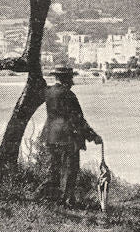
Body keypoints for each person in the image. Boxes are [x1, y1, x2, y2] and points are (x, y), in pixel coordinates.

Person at [37, 65, 102, 207]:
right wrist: (93, 136)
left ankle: (52, 198)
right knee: (70, 169)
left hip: (50, 135)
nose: (73, 81)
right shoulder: (69, 95)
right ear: (66, 79)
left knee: (54, 167)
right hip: (67, 137)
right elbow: (78, 119)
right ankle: (68, 200)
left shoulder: (48, 92)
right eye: (71, 78)